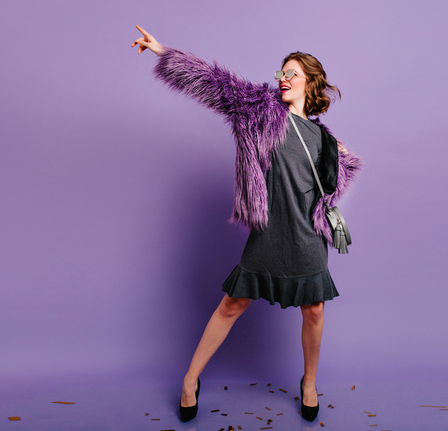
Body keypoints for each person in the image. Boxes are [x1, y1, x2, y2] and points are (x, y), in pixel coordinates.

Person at [131, 25, 362, 422]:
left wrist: (342, 159)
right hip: (269, 232)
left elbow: (326, 191)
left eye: (292, 74)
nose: (283, 79)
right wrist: (161, 51)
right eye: (281, 73)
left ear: (310, 83)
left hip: (306, 237)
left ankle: (309, 382)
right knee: (233, 303)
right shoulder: (258, 110)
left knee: (315, 310)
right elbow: (214, 83)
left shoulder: (323, 140)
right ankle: (190, 379)